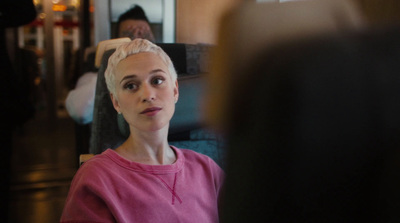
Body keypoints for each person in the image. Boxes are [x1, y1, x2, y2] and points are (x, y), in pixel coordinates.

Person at [60, 39, 225, 222]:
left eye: (157, 80)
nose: (147, 95)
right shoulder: (97, 179)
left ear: (175, 90)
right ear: (116, 103)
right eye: (131, 86)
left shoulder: (207, 170)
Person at [65, 5, 155, 125]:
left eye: (144, 36)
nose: (137, 45)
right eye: (130, 36)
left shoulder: (167, 74)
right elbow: (80, 111)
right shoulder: (94, 76)